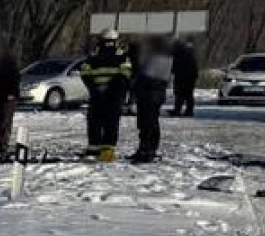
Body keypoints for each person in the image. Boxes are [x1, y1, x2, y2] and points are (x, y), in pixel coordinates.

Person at [77, 29, 133, 158]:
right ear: (115, 40)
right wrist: (110, 87)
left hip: (97, 94)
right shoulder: (122, 55)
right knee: (111, 123)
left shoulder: (93, 55)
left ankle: (93, 149)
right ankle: (107, 152)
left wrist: (95, 87)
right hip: (114, 95)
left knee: (94, 121)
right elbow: (125, 75)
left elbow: (84, 72)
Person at [130, 35, 175, 163]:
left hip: (153, 94)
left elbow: (153, 77)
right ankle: (143, 148)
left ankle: (150, 150)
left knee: (150, 123)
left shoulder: (162, 59)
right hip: (147, 94)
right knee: (144, 123)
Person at [0, 37, 22, 159]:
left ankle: (3, 146)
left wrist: (12, 93)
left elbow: (15, 78)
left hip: (8, 97)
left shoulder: (8, 62)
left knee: (5, 123)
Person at [171, 37, 199, 117]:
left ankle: (178, 110)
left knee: (180, 95)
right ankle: (189, 110)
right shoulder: (190, 53)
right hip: (189, 78)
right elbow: (194, 67)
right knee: (188, 95)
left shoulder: (178, 54)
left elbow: (174, 67)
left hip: (181, 77)